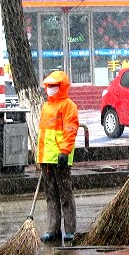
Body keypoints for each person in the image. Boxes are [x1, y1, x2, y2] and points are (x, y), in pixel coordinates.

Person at [37, 70, 79, 244]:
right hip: (47, 158)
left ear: (61, 87)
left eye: (54, 86)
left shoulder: (69, 106)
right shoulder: (46, 107)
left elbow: (71, 130)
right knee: (51, 195)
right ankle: (52, 229)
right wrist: (40, 157)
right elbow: (42, 135)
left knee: (65, 194)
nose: (50, 89)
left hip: (60, 157)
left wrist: (64, 151)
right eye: (49, 86)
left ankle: (70, 229)